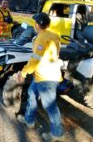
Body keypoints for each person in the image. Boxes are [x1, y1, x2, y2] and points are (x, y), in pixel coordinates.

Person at [16, 13, 64, 142]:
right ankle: (29, 120)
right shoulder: (54, 35)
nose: (34, 25)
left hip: (46, 77)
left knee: (50, 106)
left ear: (38, 24)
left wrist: (23, 72)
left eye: (35, 23)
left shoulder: (42, 38)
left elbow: (35, 60)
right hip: (43, 74)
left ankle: (57, 134)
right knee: (32, 94)